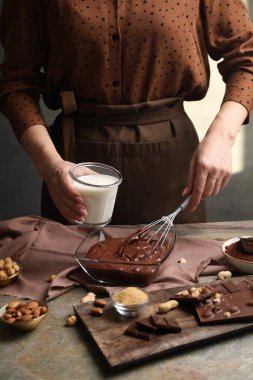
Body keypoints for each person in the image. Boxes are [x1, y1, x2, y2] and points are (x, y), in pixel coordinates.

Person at [0, 0, 252, 226]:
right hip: (73, 170)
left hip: (173, 166)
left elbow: (246, 58)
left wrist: (222, 137)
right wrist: (50, 167)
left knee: (181, 270)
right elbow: (16, 83)